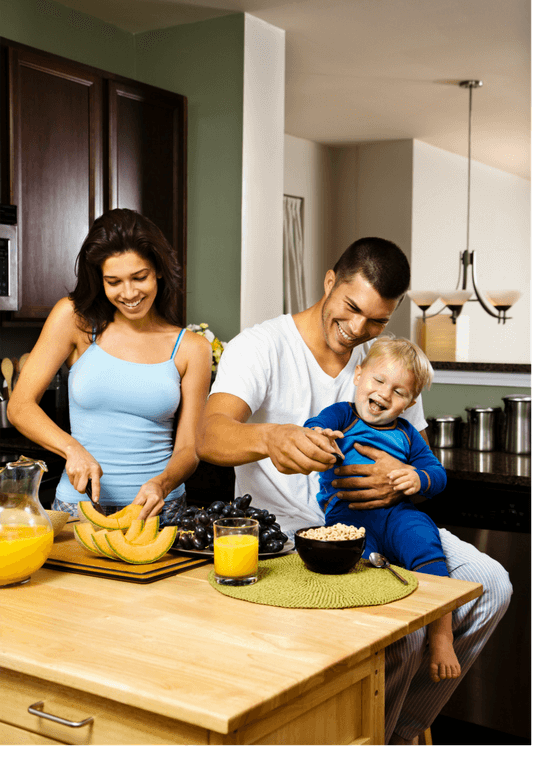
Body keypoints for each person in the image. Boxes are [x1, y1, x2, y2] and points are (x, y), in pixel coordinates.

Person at [197, 236, 512, 745]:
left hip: (386, 525)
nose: (358, 330)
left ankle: (403, 730)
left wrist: (397, 477)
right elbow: (208, 436)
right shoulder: (260, 346)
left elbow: (418, 457)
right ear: (329, 282)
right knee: (403, 635)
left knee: (493, 586)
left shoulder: (382, 362)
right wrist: (271, 436)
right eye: (351, 308)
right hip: (297, 538)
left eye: (378, 320)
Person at [8, 208, 212, 524]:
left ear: (158, 270)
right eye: (113, 281)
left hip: (160, 510)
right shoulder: (74, 320)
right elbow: (20, 407)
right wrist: (71, 449)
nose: (129, 293)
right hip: (79, 508)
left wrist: (162, 483)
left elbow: (189, 449)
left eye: (139, 277)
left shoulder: (192, 348)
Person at [305, 334, 460, 684]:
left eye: (399, 391)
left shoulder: (407, 434)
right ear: (358, 375)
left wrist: (417, 478)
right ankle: (373, 629)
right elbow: (314, 427)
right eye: (378, 380)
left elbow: (437, 474)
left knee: (426, 545)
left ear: (409, 403)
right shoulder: (342, 415)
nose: (385, 394)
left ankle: (441, 633)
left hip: (398, 514)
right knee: (355, 565)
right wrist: (320, 438)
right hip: (348, 516)